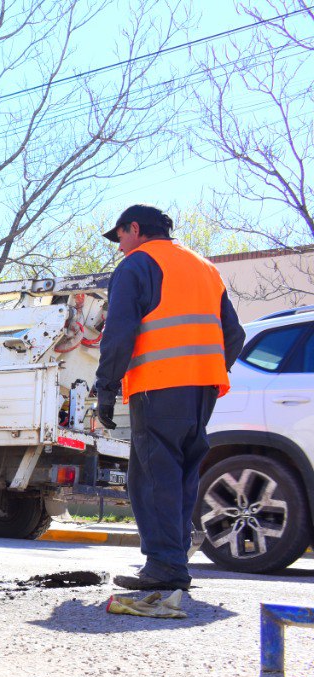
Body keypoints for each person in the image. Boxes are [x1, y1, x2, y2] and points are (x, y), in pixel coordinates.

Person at [93, 205, 246, 591]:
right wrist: (208, 373)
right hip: (203, 389)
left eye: (121, 238)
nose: (120, 248)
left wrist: (107, 388)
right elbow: (235, 336)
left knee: (152, 475)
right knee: (180, 476)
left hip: (159, 386)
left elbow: (120, 332)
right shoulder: (204, 268)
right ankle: (174, 559)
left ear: (134, 229)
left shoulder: (136, 266)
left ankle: (165, 566)